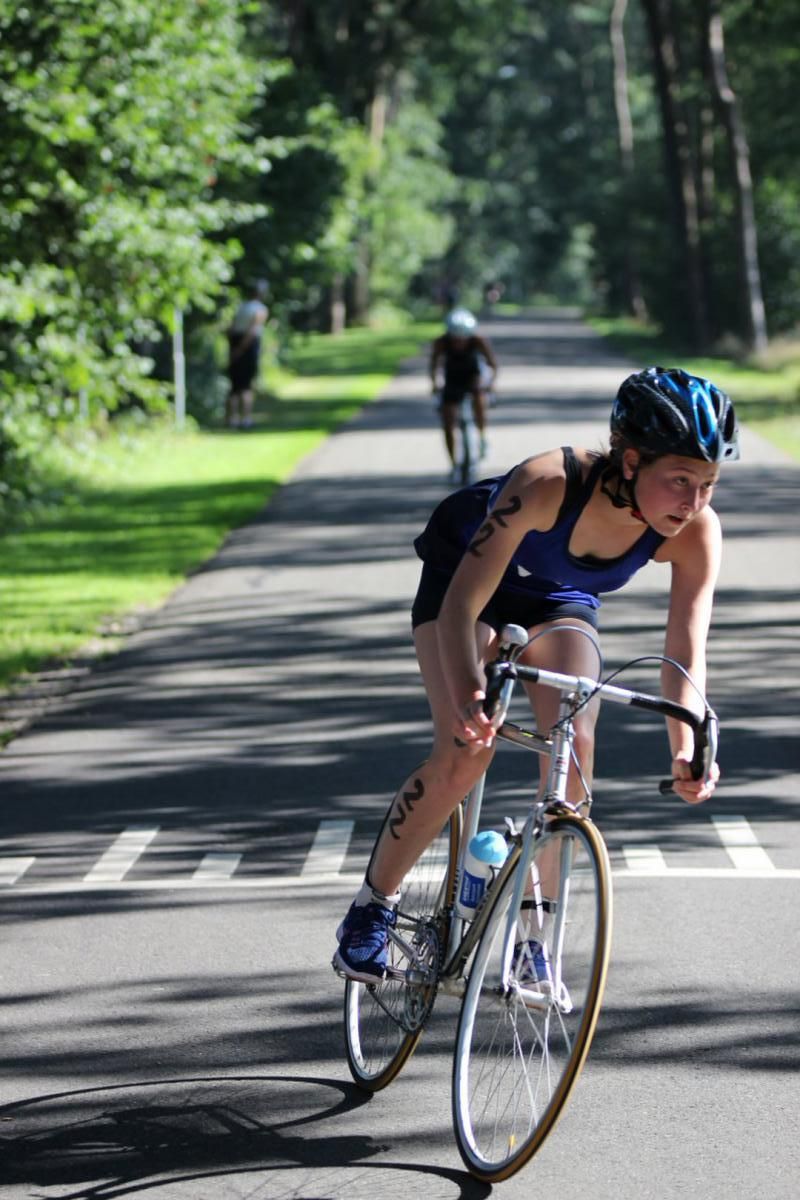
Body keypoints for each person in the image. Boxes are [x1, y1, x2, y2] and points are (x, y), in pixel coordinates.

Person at [332, 366, 740, 984]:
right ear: (629, 461)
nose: (694, 502)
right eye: (680, 480)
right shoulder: (547, 482)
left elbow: (684, 651)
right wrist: (472, 694)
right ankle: (372, 911)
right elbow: (461, 608)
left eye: (709, 483)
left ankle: (533, 941)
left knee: (574, 751)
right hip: (465, 584)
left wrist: (686, 748)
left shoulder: (695, 532)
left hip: (559, 599)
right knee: (467, 750)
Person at [430, 308, 498, 479]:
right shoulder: (441, 342)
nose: (459, 343)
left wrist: (489, 383)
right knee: (448, 421)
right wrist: (435, 384)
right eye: (455, 339)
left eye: (463, 339)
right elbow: (434, 365)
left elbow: (493, 365)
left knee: (479, 396)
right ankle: (454, 465)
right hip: (452, 380)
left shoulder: (479, 340)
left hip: (473, 377)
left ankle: (482, 437)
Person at [226, 280, 269, 428]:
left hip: (235, 344)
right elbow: (252, 331)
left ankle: (232, 419)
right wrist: (242, 349)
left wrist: (233, 349)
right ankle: (246, 419)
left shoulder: (241, 307)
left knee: (234, 386)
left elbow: (231, 328)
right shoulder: (260, 309)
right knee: (246, 386)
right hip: (248, 347)